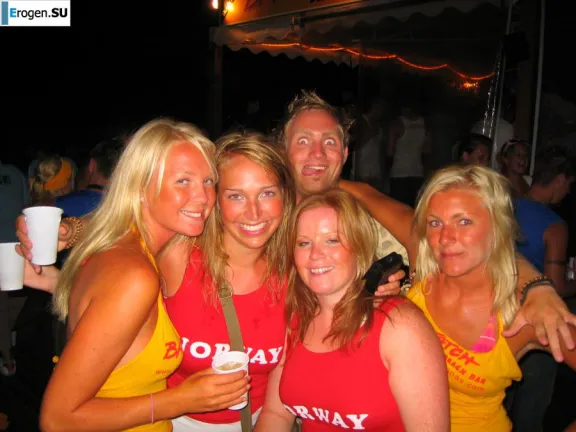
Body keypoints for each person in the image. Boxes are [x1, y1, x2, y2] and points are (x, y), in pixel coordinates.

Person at [36, 119, 250, 432]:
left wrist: (71, 229)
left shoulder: (129, 247)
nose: (203, 197)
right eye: (183, 181)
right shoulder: (133, 276)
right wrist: (184, 399)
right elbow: (57, 419)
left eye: (208, 181)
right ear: (139, 186)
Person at [255, 189, 450, 431]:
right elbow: (276, 414)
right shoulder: (296, 318)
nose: (315, 254)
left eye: (332, 240)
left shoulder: (400, 327)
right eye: (304, 243)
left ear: (359, 247)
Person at [406, 164, 576, 431]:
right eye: (435, 222)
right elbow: (371, 197)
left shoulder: (523, 314)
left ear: (497, 226)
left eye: (464, 221)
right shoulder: (425, 272)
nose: (445, 238)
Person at [507, 148, 575, 432]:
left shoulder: (505, 205)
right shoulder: (555, 226)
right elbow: (556, 284)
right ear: (559, 180)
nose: (568, 192)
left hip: (500, 314)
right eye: (569, 184)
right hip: (534, 322)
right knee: (532, 405)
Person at [0, 160, 29, 376]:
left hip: (18, 246)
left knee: (20, 298)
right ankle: (7, 355)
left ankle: (5, 335)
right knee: (2, 304)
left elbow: (26, 205)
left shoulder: (14, 172)